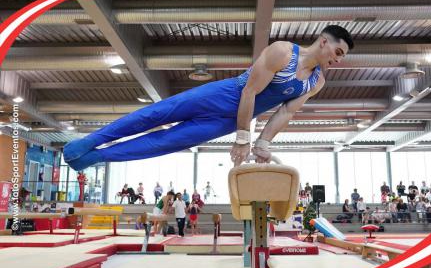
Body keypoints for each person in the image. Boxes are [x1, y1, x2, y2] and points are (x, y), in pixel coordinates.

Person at [62, 25, 353, 170]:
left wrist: (263, 143)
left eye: (342, 58)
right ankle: (90, 141)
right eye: (338, 52)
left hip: (227, 121)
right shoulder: (283, 52)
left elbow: (284, 114)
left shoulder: (316, 82)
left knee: (169, 142)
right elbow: (250, 91)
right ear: (323, 41)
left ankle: (96, 157)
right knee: (156, 114)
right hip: (223, 96)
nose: (338, 60)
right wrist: (243, 137)